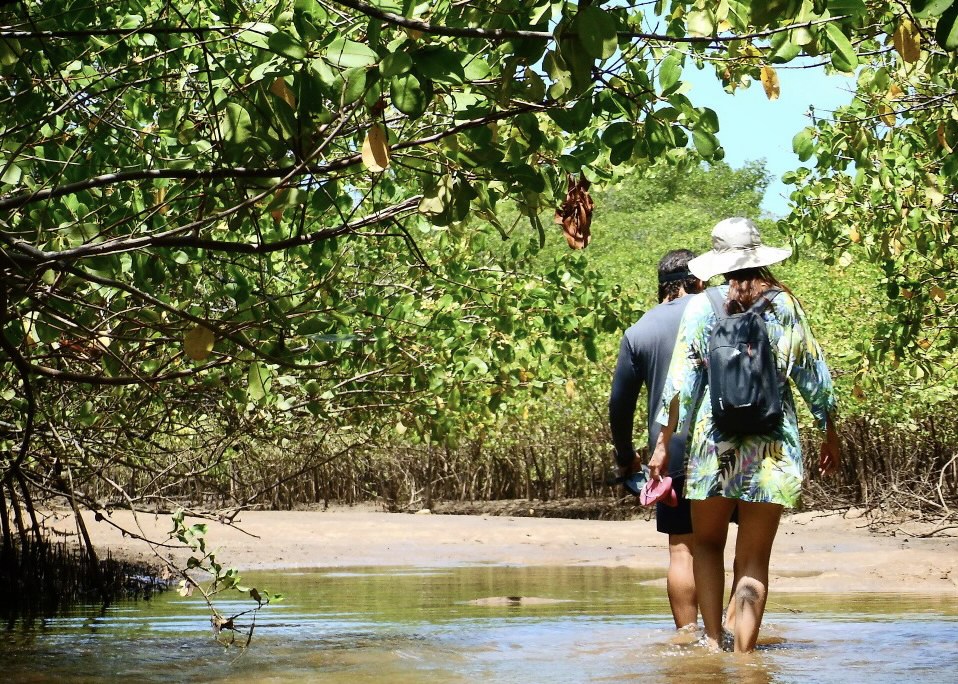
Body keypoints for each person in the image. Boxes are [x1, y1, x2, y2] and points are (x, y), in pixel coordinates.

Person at [651, 217, 840, 653]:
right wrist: (830, 431)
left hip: (711, 446)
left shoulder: (702, 305)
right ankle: (744, 658)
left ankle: (714, 643)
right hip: (772, 448)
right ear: (760, 256)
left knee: (708, 545)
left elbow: (680, 381)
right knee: (754, 558)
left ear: (717, 262)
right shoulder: (784, 306)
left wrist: (663, 443)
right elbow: (813, 375)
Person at [609, 249, 705, 629]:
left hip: (672, 454)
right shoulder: (719, 313)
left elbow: (620, 404)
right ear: (699, 281)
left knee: (683, 549)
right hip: (730, 447)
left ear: (661, 286)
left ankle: (687, 637)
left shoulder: (639, 331)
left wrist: (625, 457)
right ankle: (730, 634)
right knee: (735, 546)